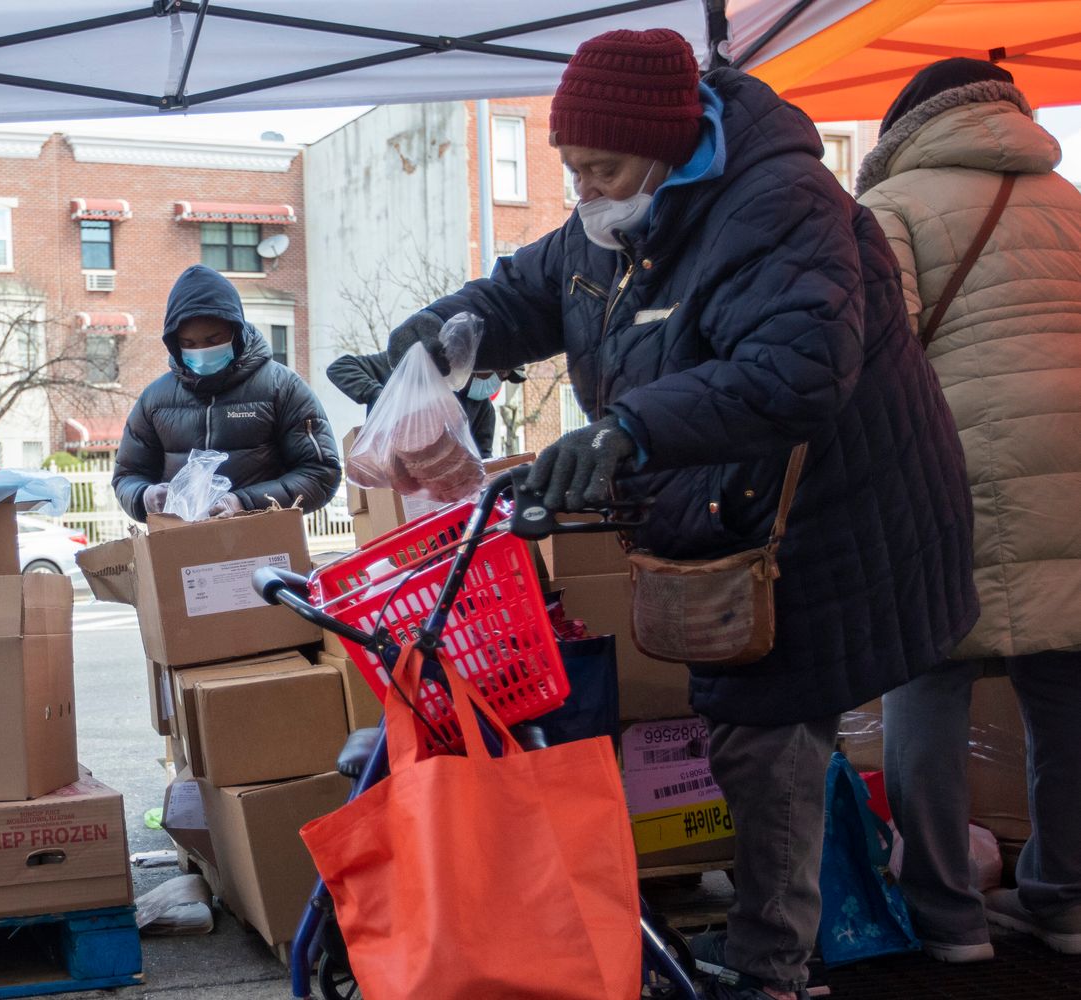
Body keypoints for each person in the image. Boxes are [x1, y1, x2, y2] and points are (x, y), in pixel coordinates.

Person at [388, 29, 976, 1000]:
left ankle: (768, 968)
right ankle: (778, 938)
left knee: (764, 734)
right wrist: (429, 344)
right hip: (729, 505)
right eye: (568, 168)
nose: (582, 188)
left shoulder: (778, 203)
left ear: (666, 143)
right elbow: (530, 289)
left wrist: (625, 431)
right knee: (754, 731)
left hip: (826, 521)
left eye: (599, 167)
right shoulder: (623, 206)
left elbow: (794, 368)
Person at [855, 58, 1081, 963]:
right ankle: (1065, 900)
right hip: (1069, 471)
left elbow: (880, 352)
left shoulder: (891, 207)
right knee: (1066, 694)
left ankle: (948, 916)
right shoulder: (1069, 201)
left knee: (928, 676)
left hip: (946, 468)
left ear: (904, 125)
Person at [114, 264, 341, 520]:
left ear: (236, 333)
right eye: (188, 344)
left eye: (213, 340)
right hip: (180, 548)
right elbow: (127, 475)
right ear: (175, 344)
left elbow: (321, 473)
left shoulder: (282, 387)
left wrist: (244, 503)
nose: (201, 351)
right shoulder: (154, 399)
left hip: (266, 545)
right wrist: (144, 496)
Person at [325, 346, 518, 455]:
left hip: (443, 499)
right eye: (500, 372)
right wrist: (383, 397)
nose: (498, 381)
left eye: (504, 376)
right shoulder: (414, 369)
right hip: (390, 480)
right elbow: (340, 368)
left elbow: (482, 458)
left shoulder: (483, 408)